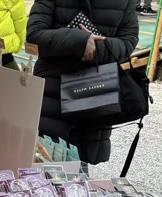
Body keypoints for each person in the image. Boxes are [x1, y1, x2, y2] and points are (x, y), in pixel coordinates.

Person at [26, 0, 139, 165]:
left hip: (96, 88)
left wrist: (96, 48)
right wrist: (77, 40)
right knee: (44, 160)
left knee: (83, 164)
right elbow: (34, 36)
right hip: (53, 89)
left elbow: (128, 41)